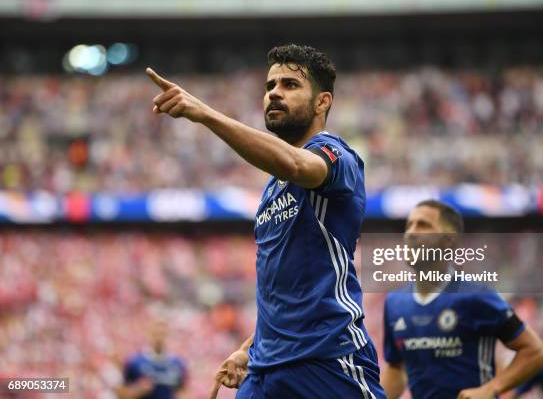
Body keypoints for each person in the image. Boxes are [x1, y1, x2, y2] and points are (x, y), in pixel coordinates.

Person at [146, 44, 385, 398]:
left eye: (290, 85)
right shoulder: (273, 189)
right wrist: (248, 348)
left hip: (328, 360)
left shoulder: (337, 156)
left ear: (323, 102)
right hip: (265, 370)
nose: (274, 92)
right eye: (270, 85)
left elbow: (298, 165)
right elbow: (287, 292)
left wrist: (206, 114)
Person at [380, 199, 543, 399]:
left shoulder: (476, 297)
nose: (411, 232)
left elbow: (535, 351)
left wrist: (491, 388)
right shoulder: (395, 303)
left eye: (423, 225)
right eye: (409, 225)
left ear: (449, 240)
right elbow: (396, 368)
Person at [115, 320, 187, 399]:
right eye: (155, 334)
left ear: (168, 335)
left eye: (162, 334)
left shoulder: (178, 364)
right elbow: (121, 395)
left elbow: (182, 392)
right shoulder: (134, 362)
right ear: (149, 334)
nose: (159, 338)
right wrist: (138, 390)